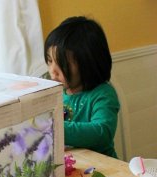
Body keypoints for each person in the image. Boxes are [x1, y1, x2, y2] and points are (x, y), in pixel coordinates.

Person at [44, 16, 120, 158]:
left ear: (88, 63)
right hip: (71, 167)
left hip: (102, 170)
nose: (52, 70)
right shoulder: (55, 93)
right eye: (49, 60)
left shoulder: (103, 94)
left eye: (62, 64)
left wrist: (56, 128)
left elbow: (102, 132)